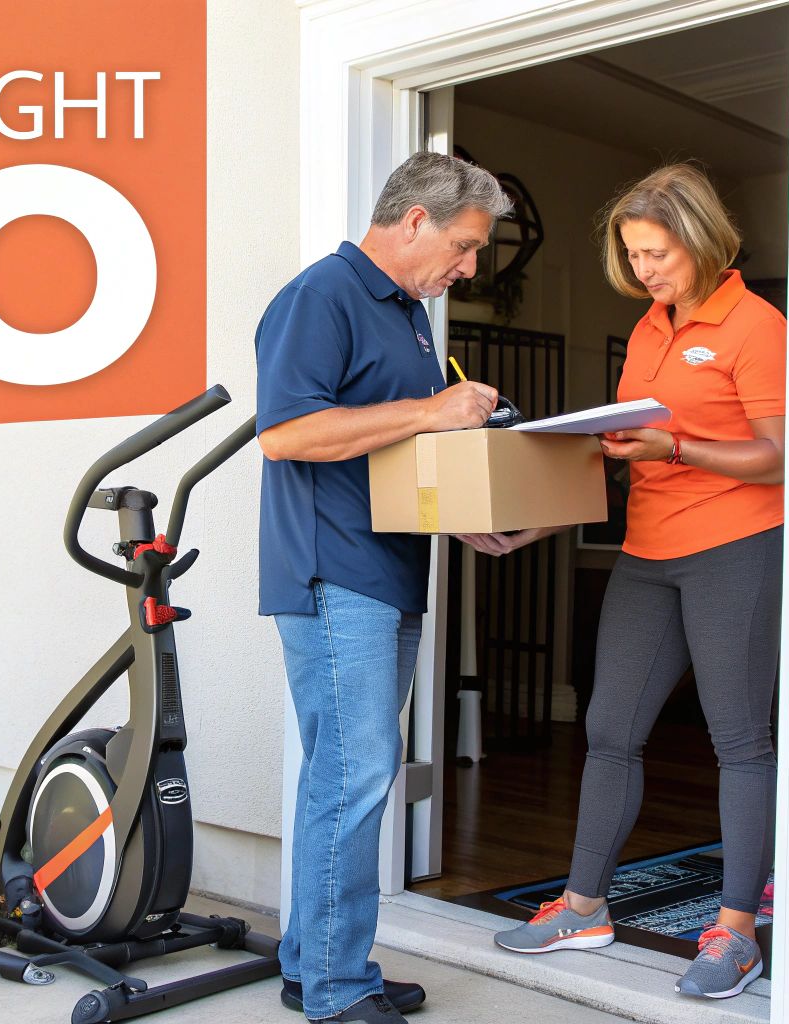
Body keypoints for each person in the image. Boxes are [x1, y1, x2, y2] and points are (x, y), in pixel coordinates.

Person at [475, 163, 785, 1000]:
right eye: (634, 254)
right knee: (610, 729)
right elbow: (622, 458)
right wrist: (538, 522)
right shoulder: (650, 328)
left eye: (658, 253)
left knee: (738, 739)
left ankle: (735, 934)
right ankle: (583, 907)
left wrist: (673, 447)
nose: (645, 269)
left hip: (735, 546)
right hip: (647, 551)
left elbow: (779, 456)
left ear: (702, 240)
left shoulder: (756, 326)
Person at [256, 151, 510, 1023]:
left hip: (392, 568)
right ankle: (337, 989)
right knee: (357, 772)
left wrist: (464, 514)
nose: (468, 267)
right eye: (465, 245)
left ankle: (314, 964)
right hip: (333, 571)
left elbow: (395, 450)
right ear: (414, 220)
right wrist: (435, 410)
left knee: (346, 771)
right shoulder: (320, 296)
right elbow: (287, 434)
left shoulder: (410, 317)